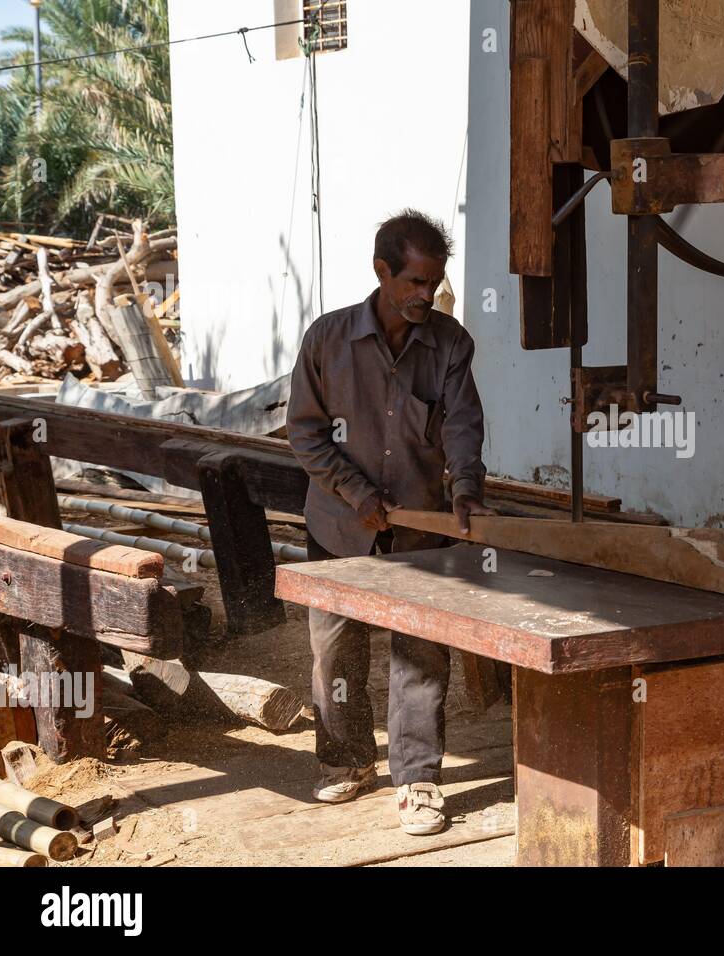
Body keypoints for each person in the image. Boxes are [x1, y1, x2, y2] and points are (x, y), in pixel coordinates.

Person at [286, 209, 492, 835]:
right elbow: (305, 433)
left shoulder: (450, 344)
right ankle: (348, 759)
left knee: (420, 650)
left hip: (421, 527)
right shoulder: (327, 340)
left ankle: (418, 780)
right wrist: (354, 490)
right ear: (382, 271)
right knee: (334, 647)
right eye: (415, 283)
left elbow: (461, 426)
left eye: (435, 284)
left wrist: (467, 489)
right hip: (339, 527)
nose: (426, 296)